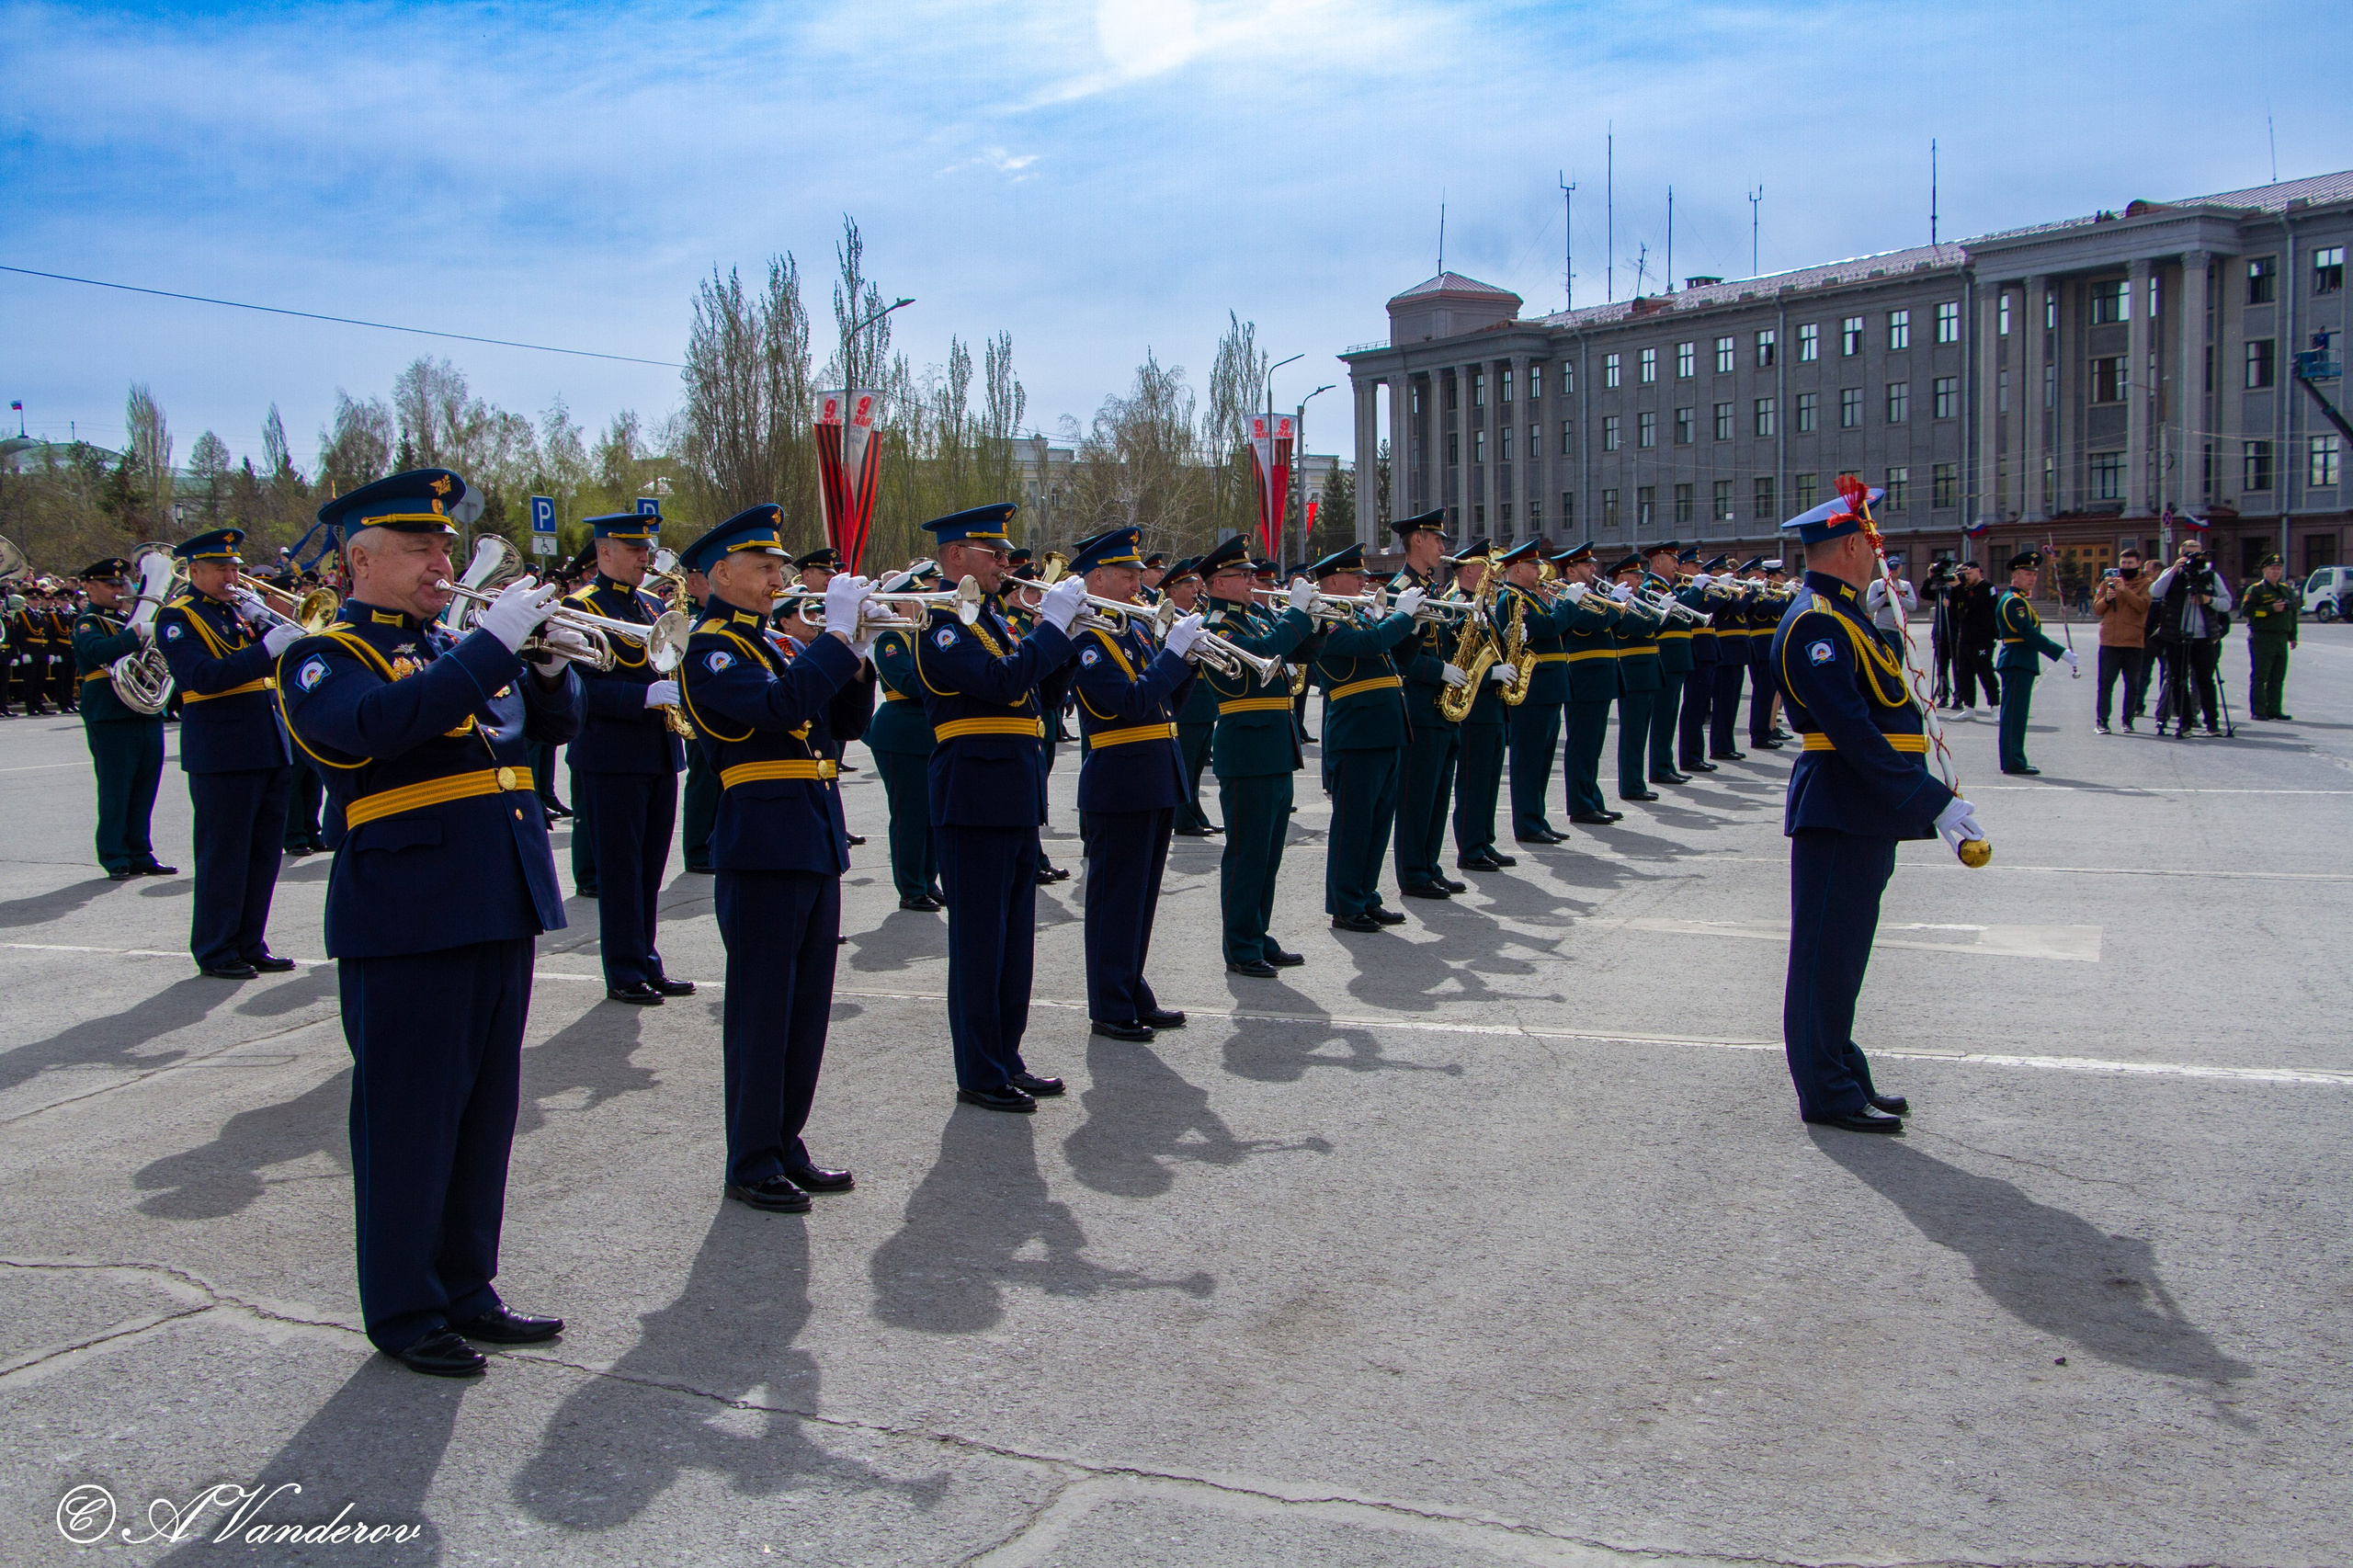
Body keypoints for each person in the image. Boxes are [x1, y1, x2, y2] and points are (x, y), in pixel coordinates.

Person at [279, 467, 582, 1377]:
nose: (440, 561)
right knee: (410, 1119)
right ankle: (405, 1309)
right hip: (409, 913)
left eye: (444, 545)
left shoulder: (451, 646)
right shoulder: (324, 654)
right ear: (357, 559)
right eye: (419, 547)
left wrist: (548, 661)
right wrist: (488, 647)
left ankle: (464, 1286)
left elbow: (540, 730)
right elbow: (378, 727)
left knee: (484, 1113)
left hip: (494, 899)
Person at [1769, 485, 1984, 1134]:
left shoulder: (1846, 614)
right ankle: (1826, 1090)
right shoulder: (1816, 623)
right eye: (1875, 541)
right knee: (1825, 955)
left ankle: (1841, 1067)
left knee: (1845, 954)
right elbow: (1855, 732)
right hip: (1840, 802)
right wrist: (1934, 804)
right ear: (1855, 545)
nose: (1880, 554)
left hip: (1860, 807)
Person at [677, 505, 874, 1210]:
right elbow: (776, 710)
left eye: (779, 570)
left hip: (812, 833)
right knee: (764, 1011)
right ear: (721, 574)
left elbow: (847, 726)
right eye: (763, 569)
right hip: (762, 841)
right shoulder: (712, 650)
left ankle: (786, 1140)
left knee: (805, 1009)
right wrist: (834, 642)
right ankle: (751, 1155)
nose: (775, 581)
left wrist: (859, 657)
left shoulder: (779, 645)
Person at [915, 503, 1089, 1111]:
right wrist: (1048, 632)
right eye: (994, 554)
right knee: (980, 943)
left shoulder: (995, 617)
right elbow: (997, 682)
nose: (1008, 565)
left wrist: (1068, 639)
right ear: (955, 555)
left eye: (1007, 554)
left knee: (1015, 943)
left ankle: (1006, 1056)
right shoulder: (943, 620)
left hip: (1013, 792)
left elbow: (1040, 692)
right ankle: (980, 1070)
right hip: (973, 794)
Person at [1066, 526, 1203, 1040]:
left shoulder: (1134, 629)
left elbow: (1166, 705)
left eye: (1137, 574)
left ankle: (1130, 985)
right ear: (1097, 576)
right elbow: (1123, 705)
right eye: (1127, 575)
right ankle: (1109, 1002)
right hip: (1120, 779)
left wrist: (1186, 662)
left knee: (1141, 898)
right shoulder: (1087, 637)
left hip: (1154, 775)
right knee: (1116, 899)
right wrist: (1172, 659)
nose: (1137, 584)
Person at [153, 528, 300, 980]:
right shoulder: (179, 617)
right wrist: (264, 650)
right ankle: (217, 947)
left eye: (235, 566)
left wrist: (279, 637)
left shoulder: (237, 612)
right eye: (221, 568)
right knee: (225, 854)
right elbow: (202, 677)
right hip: (224, 750)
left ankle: (250, 942)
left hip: (268, 743)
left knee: (263, 853)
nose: (232, 575)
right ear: (194, 570)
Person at [561, 513, 694, 1006]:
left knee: (650, 867)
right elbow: (575, 687)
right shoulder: (579, 608)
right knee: (620, 869)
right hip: (610, 754)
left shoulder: (651, 605)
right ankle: (622, 969)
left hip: (658, 752)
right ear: (604, 553)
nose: (645, 557)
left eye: (646, 548)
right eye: (634, 548)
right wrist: (638, 699)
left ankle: (646, 961)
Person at [1196, 535, 1319, 976]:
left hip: (1273, 747)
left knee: (1268, 854)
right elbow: (1259, 658)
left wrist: (1315, 620)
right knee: (1248, 853)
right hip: (1247, 748)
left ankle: (1257, 932)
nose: (1252, 580)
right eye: (1242, 575)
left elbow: (1300, 651)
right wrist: (1297, 617)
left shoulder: (1255, 616)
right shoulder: (1216, 625)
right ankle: (1241, 945)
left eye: (1250, 574)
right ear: (1218, 583)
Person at [1311, 542, 1423, 930]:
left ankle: (1366, 895)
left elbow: (1398, 659)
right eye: (1355, 575)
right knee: (1354, 825)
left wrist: (1415, 627)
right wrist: (1402, 618)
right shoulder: (1324, 619)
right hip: (1357, 732)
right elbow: (1368, 646)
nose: (1363, 580)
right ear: (1332, 580)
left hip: (1384, 729)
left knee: (1377, 824)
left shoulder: (1359, 616)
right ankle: (1345, 904)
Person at [70, 558, 173, 881]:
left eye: (121, 585)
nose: (119, 591)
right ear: (89, 587)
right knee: (116, 789)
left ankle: (141, 852)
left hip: (145, 710)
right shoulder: (88, 623)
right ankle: (115, 854)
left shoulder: (126, 619)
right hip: (110, 714)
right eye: (110, 585)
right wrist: (137, 633)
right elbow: (99, 652)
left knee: (145, 786)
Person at [1385, 511, 1467, 898]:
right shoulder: (1399, 590)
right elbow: (1399, 655)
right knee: (1417, 794)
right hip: (1418, 703)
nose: (1443, 547)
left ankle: (1430, 865)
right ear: (1417, 539)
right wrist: (1439, 672)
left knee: (1437, 793)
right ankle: (1413, 872)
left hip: (1443, 708)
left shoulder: (1433, 590)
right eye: (1437, 539)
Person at [869, 562, 944, 908]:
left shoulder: (922, 634)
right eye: (917, 597)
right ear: (897, 603)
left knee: (931, 814)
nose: (924, 601)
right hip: (901, 733)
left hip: (928, 733)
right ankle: (911, 888)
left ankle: (928, 880)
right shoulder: (891, 638)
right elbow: (908, 684)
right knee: (910, 815)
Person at [1446, 541, 1513, 870]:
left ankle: (1484, 839)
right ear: (1469, 570)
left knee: (1489, 779)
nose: (1493, 570)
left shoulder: (1482, 606)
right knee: (1473, 781)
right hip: (1475, 706)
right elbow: (1458, 659)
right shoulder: (1458, 605)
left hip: (1493, 707)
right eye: (1486, 564)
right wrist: (1490, 676)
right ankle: (1469, 847)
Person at [1552, 542, 1626, 825]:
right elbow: (1592, 623)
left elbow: (1609, 623)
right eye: (1586, 565)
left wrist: (1617, 608)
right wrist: (1616, 609)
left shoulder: (1592, 594)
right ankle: (1581, 805)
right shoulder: (1565, 595)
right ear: (1571, 570)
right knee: (1582, 743)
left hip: (1600, 674)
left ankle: (1592, 798)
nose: (1593, 568)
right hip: (1583, 675)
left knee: (1594, 743)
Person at [1994, 551, 2077, 774]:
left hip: (2021, 661)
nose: (2032, 578)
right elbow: (2029, 634)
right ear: (2015, 576)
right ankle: (2013, 761)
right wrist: (2060, 653)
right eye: (2026, 574)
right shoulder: (2013, 602)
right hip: (2017, 660)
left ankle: (2015, 759)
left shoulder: (2019, 600)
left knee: (2017, 715)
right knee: (2014, 715)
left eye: (2034, 575)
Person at [2149, 540, 2234, 736]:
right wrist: (2173, 571)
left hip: (2203, 637)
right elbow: (2155, 592)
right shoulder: (2172, 573)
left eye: (2197, 554)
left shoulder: (2210, 576)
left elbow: (2227, 603)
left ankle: (2212, 723)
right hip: (2176, 636)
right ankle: (2185, 722)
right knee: (2178, 680)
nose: (2193, 559)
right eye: (2188, 554)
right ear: (2180, 555)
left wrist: (2208, 600)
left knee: (2205, 681)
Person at [1163, 558, 1221, 837]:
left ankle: (1195, 810)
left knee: (1197, 764)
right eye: (1188, 585)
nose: (1195, 588)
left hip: (1202, 700)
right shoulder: (1168, 617)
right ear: (1172, 591)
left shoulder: (1197, 615)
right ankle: (1183, 818)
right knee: (1185, 762)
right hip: (1186, 700)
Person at [1607, 555, 1665, 801]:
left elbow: (1650, 626)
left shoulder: (1637, 601)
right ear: (1622, 578)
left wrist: (1660, 615)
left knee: (1641, 731)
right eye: (1636, 576)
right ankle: (1631, 785)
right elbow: (1640, 628)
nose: (1641, 580)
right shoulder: (1622, 603)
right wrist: (1662, 615)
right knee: (1633, 732)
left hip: (1646, 669)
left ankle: (1636, 782)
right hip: (1633, 670)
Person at [1641, 541, 1692, 783]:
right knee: (1663, 716)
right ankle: (1659, 767)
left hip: (1677, 656)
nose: (1677, 565)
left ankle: (1666, 764)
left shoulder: (1669, 587)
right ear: (1658, 561)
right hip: (1667, 656)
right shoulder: (1653, 587)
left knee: (1670, 714)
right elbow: (1670, 617)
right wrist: (1698, 591)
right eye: (1672, 560)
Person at [2090, 548, 2154, 733]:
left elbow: (2142, 606)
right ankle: (2102, 721)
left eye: (2130, 563)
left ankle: (2128, 720)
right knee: (2105, 684)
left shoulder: (2146, 583)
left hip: (2133, 641)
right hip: (2109, 641)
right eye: (2123, 563)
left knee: (2132, 684)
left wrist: (2125, 591)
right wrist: (2108, 599)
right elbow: (2097, 609)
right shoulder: (2108, 581)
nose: (2125, 567)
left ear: (2138, 564)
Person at [1674, 547, 1721, 773]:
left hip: (1708, 649)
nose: (1700, 570)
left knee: (1700, 707)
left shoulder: (1696, 589)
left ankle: (1696, 755)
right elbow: (1692, 613)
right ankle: (1690, 756)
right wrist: (1702, 592)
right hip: (1696, 649)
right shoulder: (1684, 589)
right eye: (1695, 566)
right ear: (1683, 567)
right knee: (1693, 707)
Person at [2241, 553, 2298, 721]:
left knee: (2277, 676)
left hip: (2280, 637)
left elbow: (2292, 614)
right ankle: (2258, 709)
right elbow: (2247, 611)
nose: (2276, 571)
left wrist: (2293, 635)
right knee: (2261, 675)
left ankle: (2274, 709)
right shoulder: (2256, 589)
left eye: (2278, 568)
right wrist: (2270, 609)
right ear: (2264, 570)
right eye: (2272, 568)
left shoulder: (2286, 589)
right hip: (2262, 637)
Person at [1706, 554, 1750, 761]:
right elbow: (1733, 609)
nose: (1730, 575)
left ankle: (1727, 744)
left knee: (1732, 703)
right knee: (1723, 703)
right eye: (1724, 570)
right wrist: (1750, 596)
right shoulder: (1715, 591)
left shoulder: (1726, 590)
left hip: (1737, 651)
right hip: (1724, 649)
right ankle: (1720, 746)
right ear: (1714, 573)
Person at [1950, 562, 2000, 714]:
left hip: (1983, 638)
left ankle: (1995, 706)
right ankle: (1969, 707)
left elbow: (1973, 603)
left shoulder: (1987, 587)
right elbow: (1954, 608)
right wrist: (1954, 588)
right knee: (1964, 673)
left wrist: (1959, 587)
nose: (1967, 577)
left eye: (1969, 574)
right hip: (1965, 636)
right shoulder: (1964, 588)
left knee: (1985, 672)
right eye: (1964, 575)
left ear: (1978, 571)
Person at [1748, 560, 1788, 749]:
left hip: (1770, 647)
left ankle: (1766, 731)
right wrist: (1789, 596)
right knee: (1763, 695)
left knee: (1769, 694)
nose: (1783, 579)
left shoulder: (1770, 594)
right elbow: (1776, 609)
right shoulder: (1760, 595)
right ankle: (1760, 735)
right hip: (1761, 647)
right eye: (1780, 575)